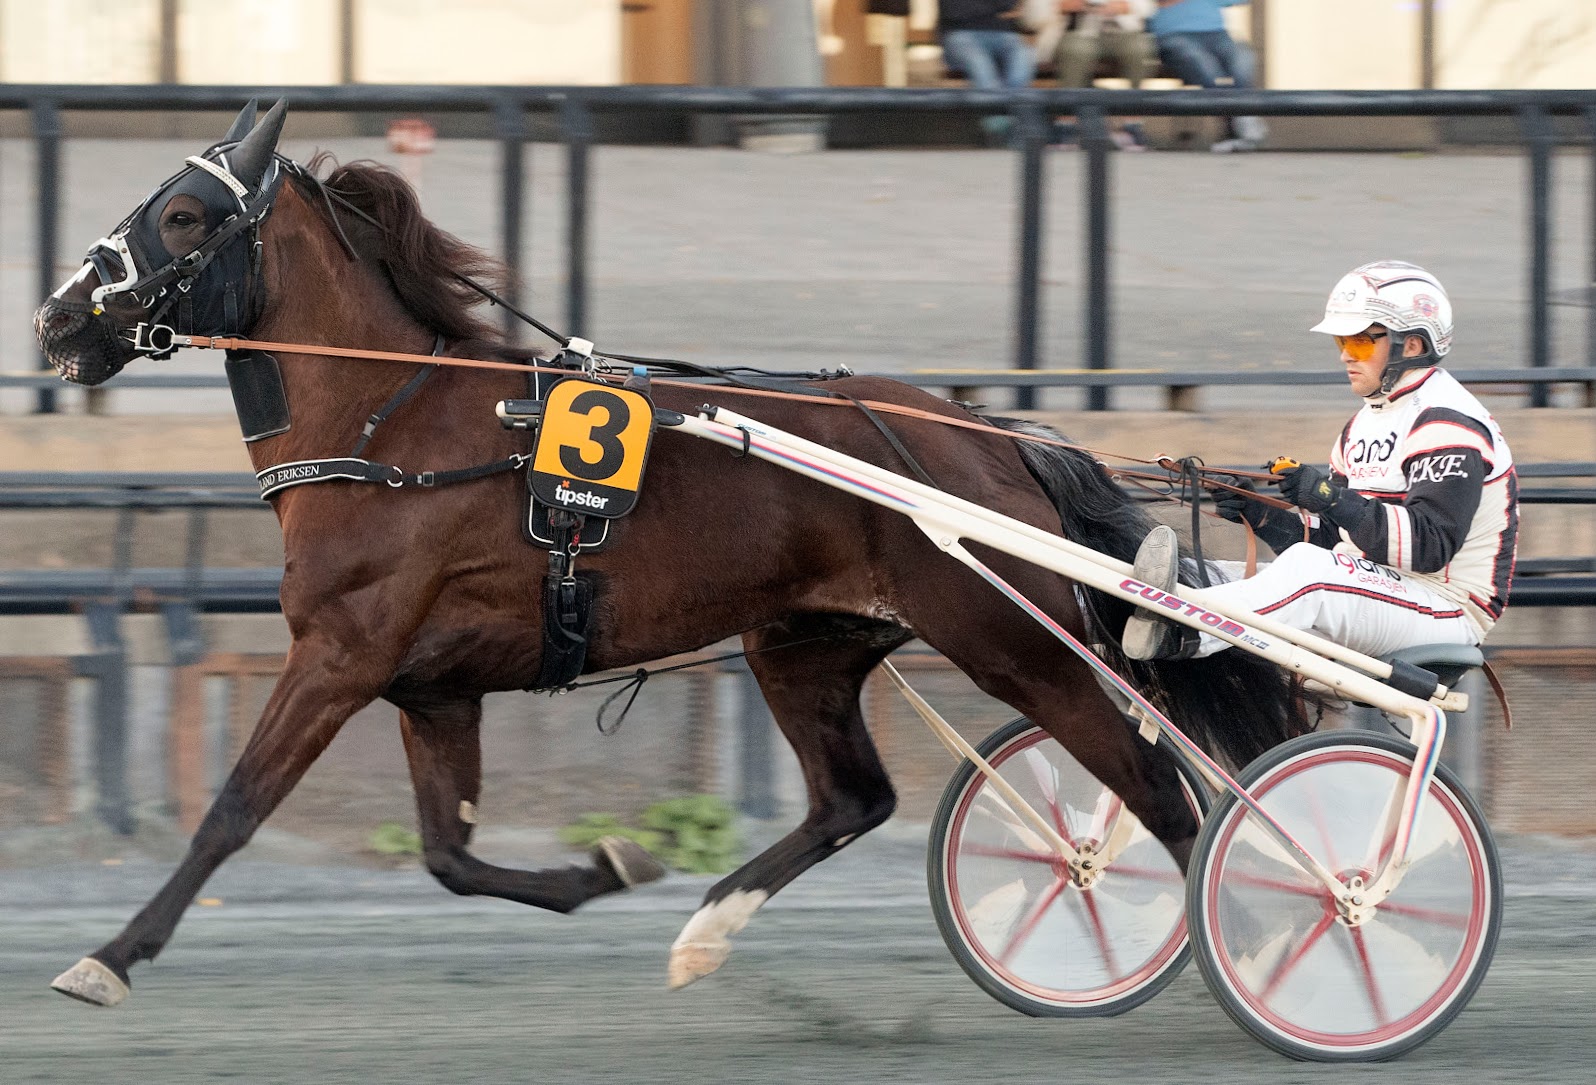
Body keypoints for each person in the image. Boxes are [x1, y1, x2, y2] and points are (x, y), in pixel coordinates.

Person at [1123, 260, 1519, 665]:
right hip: (1379, 589)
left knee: (1305, 574)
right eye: (1341, 343)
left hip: (1445, 607)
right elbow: (1338, 542)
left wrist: (1331, 498)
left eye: (1361, 342)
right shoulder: (1363, 424)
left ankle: (1185, 633)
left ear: (1412, 345)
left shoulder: (1447, 423)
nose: (1346, 356)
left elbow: (1430, 547)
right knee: (1200, 575)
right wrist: (1261, 515)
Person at [1147, 0, 1266, 152]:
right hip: (1175, 35)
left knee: (1243, 56)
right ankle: (1237, 123)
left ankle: (1242, 117)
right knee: (1206, 66)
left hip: (1216, 35)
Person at [939, 0, 1038, 143]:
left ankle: (1007, 122)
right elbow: (953, 11)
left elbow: (1010, 5)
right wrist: (996, 8)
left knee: (1025, 55)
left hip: (1002, 34)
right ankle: (999, 129)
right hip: (960, 34)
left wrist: (980, 7)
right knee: (980, 64)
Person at [1055, 0, 1156, 91]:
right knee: (1075, 50)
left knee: (1139, 49)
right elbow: (1056, 7)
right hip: (1086, 32)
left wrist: (1126, 6)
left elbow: (1149, 8)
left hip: (1127, 31)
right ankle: (1072, 102)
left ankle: (1137, 101)